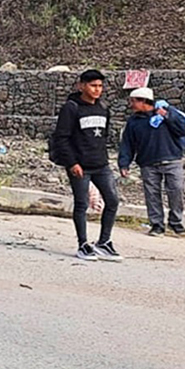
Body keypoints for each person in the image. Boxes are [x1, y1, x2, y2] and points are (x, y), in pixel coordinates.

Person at [50, 69, 121, 261]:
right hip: (79, 165)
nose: (97, 90)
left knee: (112, 200)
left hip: (101, 164)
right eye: (93, 85)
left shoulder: (103, 108)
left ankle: (104, 242)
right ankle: (83, 244)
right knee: (81, 204)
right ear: (82, 86)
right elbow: (61, 138)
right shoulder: (71, 108)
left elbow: (103, 136)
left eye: (100, 86)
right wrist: (72, 162)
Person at [119, 87, 185, 236]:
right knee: (152, 195)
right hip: (147, 162)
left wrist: (168, 117)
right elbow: (127, 144)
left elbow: (184, 130)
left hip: (172, 159)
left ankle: (176, 222)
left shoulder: (167, 112)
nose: (130, 105)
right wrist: (124, 163)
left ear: (143, 101)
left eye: (133, 101)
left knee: (176, 190)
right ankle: (157, 224)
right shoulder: (133, 122)